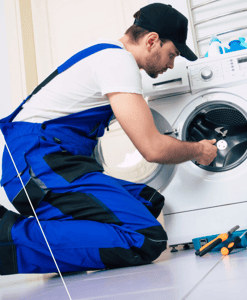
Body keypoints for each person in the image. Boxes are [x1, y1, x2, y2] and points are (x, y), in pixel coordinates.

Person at [0, 3, 217, 275]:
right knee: (147, 239)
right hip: (37, 162)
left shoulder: (107, 52)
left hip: (47, 161)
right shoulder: (118, 62)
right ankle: (7, 237)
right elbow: (152, 148)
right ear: (152, 41)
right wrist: (198, 150)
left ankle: (65, 250)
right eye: (172, 54)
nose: (171, 64)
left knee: (148, 201)